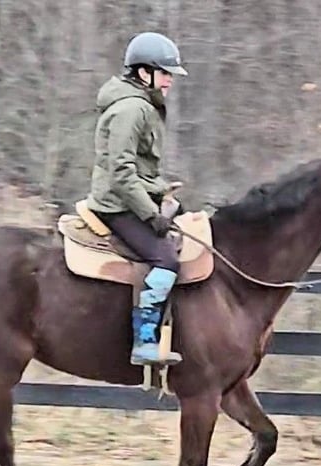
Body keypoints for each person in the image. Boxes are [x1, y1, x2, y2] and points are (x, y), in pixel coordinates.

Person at [86, 31, 188, 366]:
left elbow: (140, 170)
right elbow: (121, 172)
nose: (170, 80)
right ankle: (144, 339)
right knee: (166, 260)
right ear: (144, 72)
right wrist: (149, 214)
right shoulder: (132, 109)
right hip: (118, 205)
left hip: (131, 197)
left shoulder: (142, 105)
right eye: (165, 73)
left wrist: (160, 190)